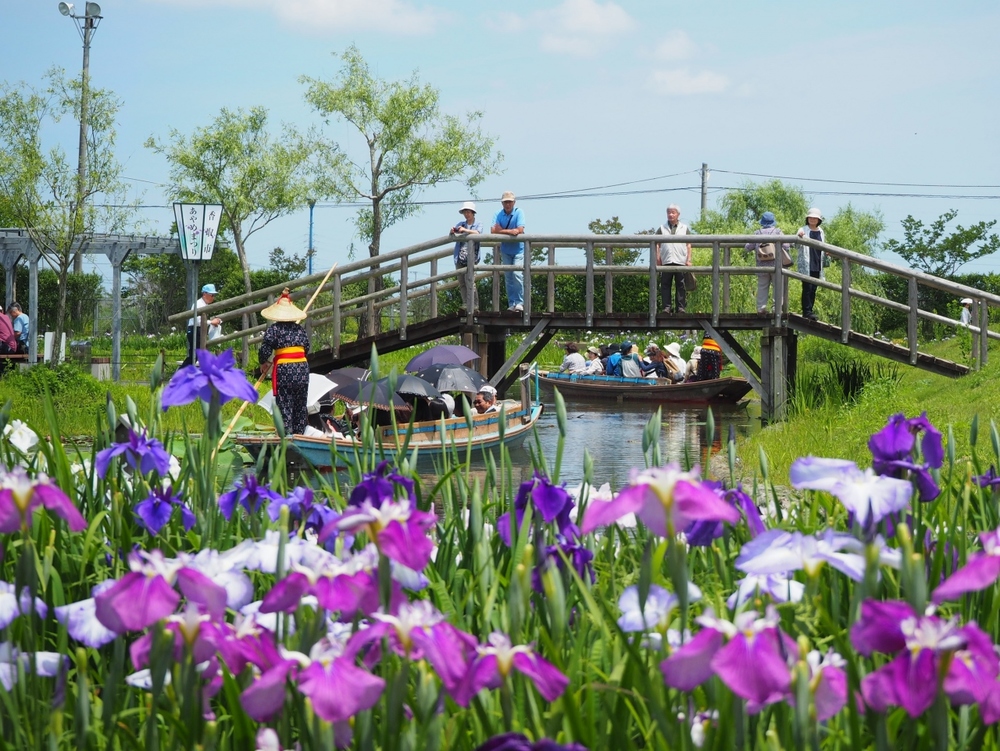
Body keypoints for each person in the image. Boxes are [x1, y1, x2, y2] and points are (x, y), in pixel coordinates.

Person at [258, 288, 311, 435]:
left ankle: (286, 435)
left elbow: (265, 349)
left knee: (285, 403)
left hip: (285, 369)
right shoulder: (300, 330)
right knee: (300, 405)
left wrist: (264, 362)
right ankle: (300, 435)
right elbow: (306, 348)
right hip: (302, 368)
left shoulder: (274, 330)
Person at [745, 212, 791, 314]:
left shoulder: (757, 233)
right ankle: (776, 308)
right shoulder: (778, 232)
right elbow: (787, 245)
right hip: (776, 265)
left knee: (762, 286)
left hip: (762, 266)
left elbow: (747, 247)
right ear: (773, 221)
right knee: (777, 287)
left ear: (762, 222)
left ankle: (761, 308)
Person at [491, 191, 526, 312]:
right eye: (506, 202)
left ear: (514, 202)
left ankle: (520, 302)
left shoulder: (519, 212)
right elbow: (493, 230)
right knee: (508, 277)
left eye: (510, 202)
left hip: (518, 249)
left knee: (517, 274)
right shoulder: (498, 214)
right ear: (502, 203)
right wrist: (511, 231)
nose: (508, 204)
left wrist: (501, 230)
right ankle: (512, 303)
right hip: (505, 249)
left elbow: (520, 230)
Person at [655, 205, 692, 314]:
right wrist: (658, 258)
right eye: (669, 212)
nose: (670, 214)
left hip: (680, 260)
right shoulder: (661, 228)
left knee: (681, 285)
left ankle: (680, 308)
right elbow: (657, 244)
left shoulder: (684, 228)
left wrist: (688, 259)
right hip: (666, 260)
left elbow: (689, 244)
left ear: (678, 214)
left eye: (673, 212)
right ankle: (667, 308)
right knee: (665, 285)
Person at [450, 201, 482, 312]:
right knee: (462, 282)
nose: (466, 214)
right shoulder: (460, 224)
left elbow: (478, 233)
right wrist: (453, 232)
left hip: (472, 257)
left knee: (470, 281)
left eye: (468, 212)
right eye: (465, 212)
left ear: (473, 213)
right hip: (459, 256)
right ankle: (465, 303)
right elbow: (454, 236)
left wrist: (465, 230)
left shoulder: (478, 224)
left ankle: (474, 305)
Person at [796, 207, 826, 320]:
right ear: (807, 218)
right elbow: (796, 245)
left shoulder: (821, 231)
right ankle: (806, 311)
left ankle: (810, 311)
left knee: (814, 288)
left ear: (819, 220)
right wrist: (799, 236)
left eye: (815, 218)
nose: (813, 220)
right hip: (807, 262)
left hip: (817, 262)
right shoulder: (802, 229)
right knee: (807, 287)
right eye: (811, 218)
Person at [183, 284, 223, 367]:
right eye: (212, 295)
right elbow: (198, 321)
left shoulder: (204, 304)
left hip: (198, 330)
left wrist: (213, 322)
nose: (213, 297)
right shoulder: (199, 304)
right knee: (194, 356)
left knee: (197, 355)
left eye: (214, 295)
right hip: (194, 330)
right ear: (204, 294)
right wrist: (211, 322)